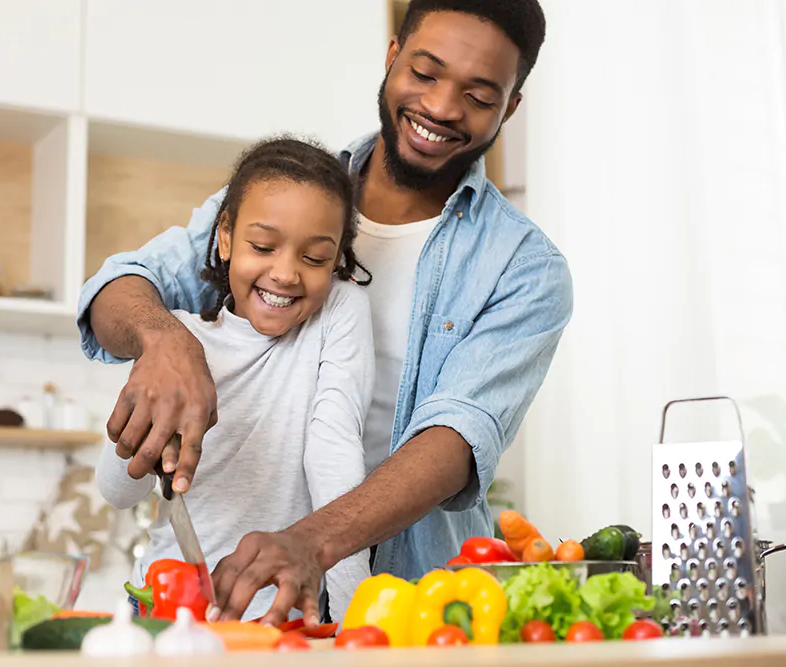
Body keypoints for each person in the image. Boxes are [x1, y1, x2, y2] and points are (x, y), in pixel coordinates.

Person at [79, 0, 572, 627]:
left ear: (511, 106)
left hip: (413, 599)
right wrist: (163, 340)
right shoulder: (285, 190)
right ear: (392, 57)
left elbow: (455, 440)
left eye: (478, 96)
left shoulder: (525, 268)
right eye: (425, 73)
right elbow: (121, 285)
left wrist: (313, 544)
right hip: (219, 591)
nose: (442, 107)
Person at [94, 137, 375, 622]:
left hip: (278, 619)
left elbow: (334, 456)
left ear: (336, 260)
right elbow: (117, 493)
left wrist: (355, 625)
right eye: (262, 247)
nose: (285, 274)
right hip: (164, 605)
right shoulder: (178, 339)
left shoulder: (339, 311)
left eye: (314, 258)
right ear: (225, 237)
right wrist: (144, 435)